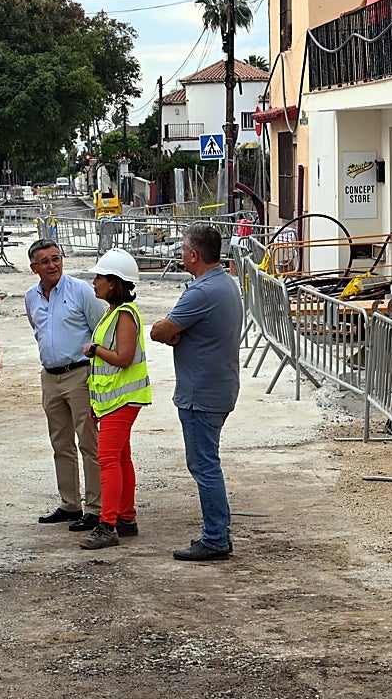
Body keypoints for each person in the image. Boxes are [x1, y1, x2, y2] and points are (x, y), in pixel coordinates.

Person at [149, 223, 243, 561]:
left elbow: (160, 331)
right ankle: (218, 532)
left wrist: (174, 332)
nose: (180, 255)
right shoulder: (225, 283)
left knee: (204, 465)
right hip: (217, 386)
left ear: (193, 254)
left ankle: (215, 538)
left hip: (200, 393)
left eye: (183, 250)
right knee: (207, 462)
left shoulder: (201, 292)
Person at [24, 239, 106, 533]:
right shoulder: (30, 297)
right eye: (44, 261)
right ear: (34, 268)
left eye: (56, 258)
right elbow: (39, 332)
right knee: (60, 443)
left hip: (80, 375)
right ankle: (70, 504)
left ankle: (96, 508)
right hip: (50, 377)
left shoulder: (81, 291)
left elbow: (100, 330)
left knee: (89, 443)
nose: (52, 265)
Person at [79, 249, 152, 550]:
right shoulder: (114, 312)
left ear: (113, 282)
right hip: (113, 400)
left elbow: (123, 358)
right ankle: (125, 517)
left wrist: (95, 350)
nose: (94, 282)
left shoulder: (123, 315)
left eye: (99, 277)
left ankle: (108, 524)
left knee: (108, 460)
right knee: (120, 458)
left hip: (122, 400)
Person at [350, 0, 392, 77]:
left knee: (386, 46)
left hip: (385, 21)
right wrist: (348, 12)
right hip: (373, 23)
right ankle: (377, 73)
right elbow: (362, 6)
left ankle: (390, 72)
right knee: (375, 48)